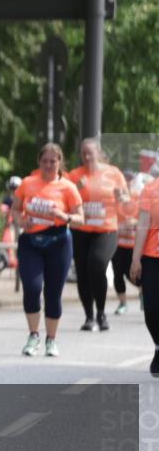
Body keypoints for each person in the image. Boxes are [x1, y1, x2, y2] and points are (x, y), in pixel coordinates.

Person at [11, 143, 83, 357]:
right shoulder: (27, 183)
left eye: (53, 161)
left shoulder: (68, 188)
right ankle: (33, 335)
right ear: (39, 162)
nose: (49, 165)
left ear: (60, 163)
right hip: (31, 242)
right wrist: (21, 220)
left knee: (53, 293)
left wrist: (65, 217)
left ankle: (51, 339)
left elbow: (81, 219)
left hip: (58, 242)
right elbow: (15, 208)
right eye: (45, 161)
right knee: (32, 288)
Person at [65, 138, 129, 331]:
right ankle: (89, 316)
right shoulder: (74, 175)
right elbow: (64, 200)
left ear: (98, 153)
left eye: (89, 153)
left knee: (98, 263)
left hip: (106, 229)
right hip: (81, 230)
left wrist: (121, 197)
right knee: (83, 272)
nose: (86, 157)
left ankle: (101, 312)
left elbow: (127, 201)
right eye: (83, 153)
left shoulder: (113, 173)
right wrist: (76, 189)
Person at [130, 164, 159, 376]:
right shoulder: (150, 189)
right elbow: (143, 224)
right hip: (152, 257)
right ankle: (158, 345)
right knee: (151, 310)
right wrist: (135, 259)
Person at [112, 169, 148, 315]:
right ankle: (122, 303)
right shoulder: (114, 200)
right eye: (123, 180)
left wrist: (134, 221)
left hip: (134, 244)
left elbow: (146, 217)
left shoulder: (138, 197)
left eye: (129, 180)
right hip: (116, 244)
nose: (125, 183)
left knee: (133, 274)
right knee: (117, 274)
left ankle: (142, 291)